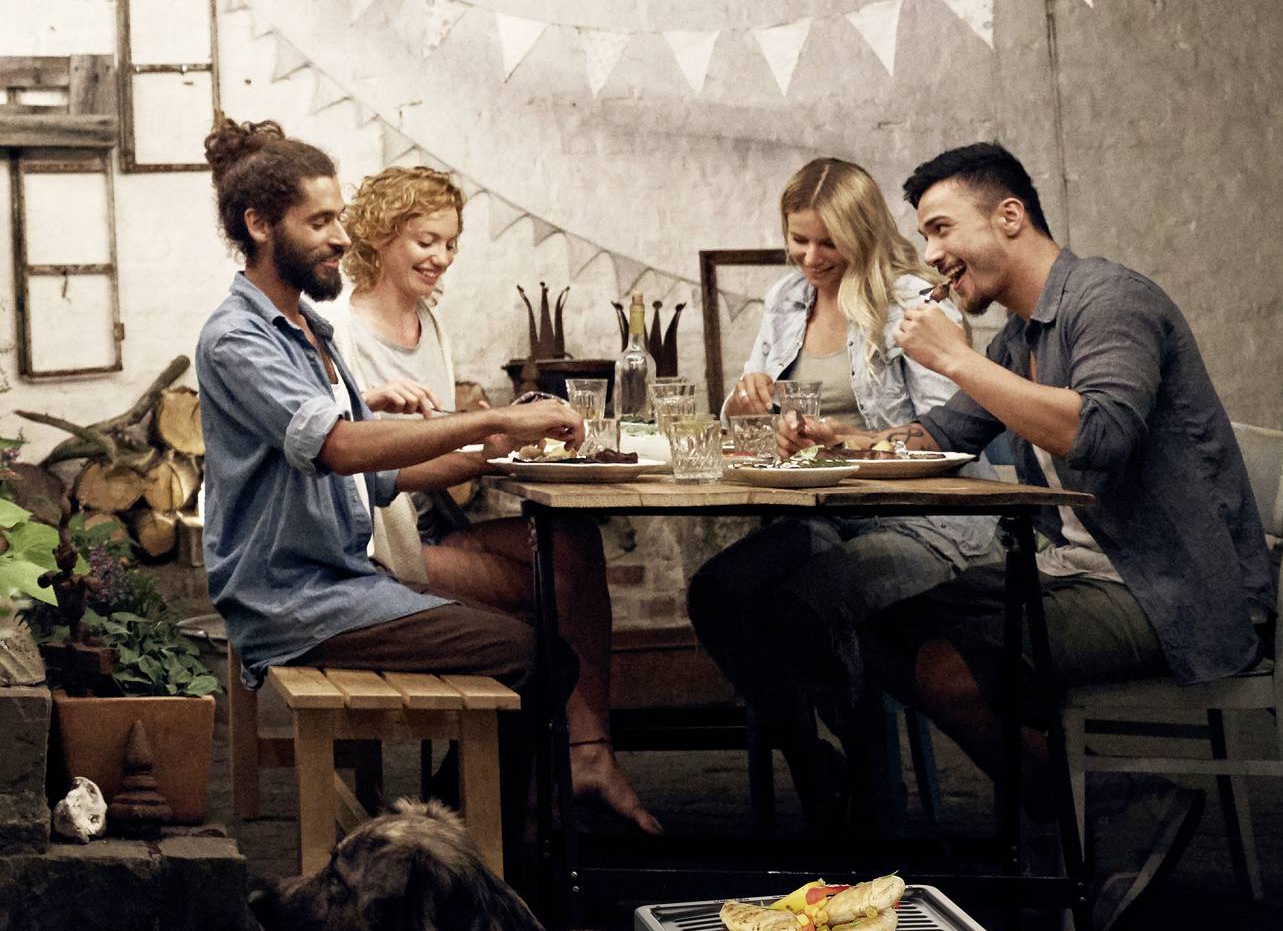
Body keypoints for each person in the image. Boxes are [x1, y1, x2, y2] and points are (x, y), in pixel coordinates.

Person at [859, 139, 1276, 929]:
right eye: (927, 239)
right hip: (1087, 571)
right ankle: (1096, 807)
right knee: (880, 629)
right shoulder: (1023, 334)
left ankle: (1097, 816)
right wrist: (830, 440)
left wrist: (955, 356)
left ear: (1009, 216)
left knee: (949, 666)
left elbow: (1102, 435)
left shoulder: (1110, 302)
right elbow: (945, 434)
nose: (932, 256)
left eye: (943, 230)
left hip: (1168, 586)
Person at [194, 122, 583, 794]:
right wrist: (491, 415)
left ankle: (453, 831)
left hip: (339, 581)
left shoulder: (309, 328)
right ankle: (451, 840)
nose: (341, 238)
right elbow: (342, 447)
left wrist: (488, 455)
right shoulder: (237, 340)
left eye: (338, 218)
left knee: (540, 649)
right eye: (319, 222)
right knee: (533, 656)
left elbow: (377, 474)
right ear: (259, 225)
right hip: (291, 603)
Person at [332, 163, 660, 834]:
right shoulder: (342, 331)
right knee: (550, 600)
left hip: (434, 520)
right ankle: (536, 780)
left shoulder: (429, 322)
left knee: (571, 547)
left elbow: (445, 458)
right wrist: (498, 434)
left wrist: (506, 437)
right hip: (380, 542)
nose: (440, 257)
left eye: (450, 243)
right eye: (425, 240)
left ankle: (576, 760)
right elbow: (373, 462)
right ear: (380, 235)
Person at [686, 155, 1000, 827]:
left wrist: (849, 444)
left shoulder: (913, 303)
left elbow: (948, 438)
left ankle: (871, 789)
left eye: (826, 241)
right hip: (826, 511)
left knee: (808, 605)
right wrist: (745, 409)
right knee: (718, 592)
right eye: (798, 239)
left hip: (923, 520)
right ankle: (812, 762)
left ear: (863, 231)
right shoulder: (787, 300)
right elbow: (753, 420)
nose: (809, 256)